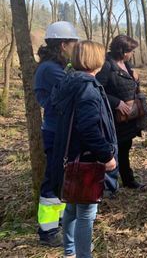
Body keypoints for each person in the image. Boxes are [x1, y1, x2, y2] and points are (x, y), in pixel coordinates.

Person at [50, 40, 117, 258]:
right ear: (95, 59)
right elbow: (89, 129)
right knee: (86, 212)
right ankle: (82, 255)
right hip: (86, 160)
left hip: (70, 157)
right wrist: (107, 156)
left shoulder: (69, 82)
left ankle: (69, 251)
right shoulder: (87, 87)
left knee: (71, 206)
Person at [33, 21, 79, 247]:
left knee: (61, 177)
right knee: (52, 179)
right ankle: (48, 231)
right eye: (73, 44)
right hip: (55, 131)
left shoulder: (59, 66)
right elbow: (76, 89)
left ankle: (59, 221)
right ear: (63, 45)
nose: (75, 49)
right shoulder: (51, 69)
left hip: (62, 130)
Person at [96, 35, 146, 189]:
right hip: (114, 117)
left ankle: (128, 180)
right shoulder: (107, 65)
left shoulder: (127, 64)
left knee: (125, 148)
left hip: (129, 117)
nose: (132, 54)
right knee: (114, 150)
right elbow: (98, 88)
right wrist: (116, 102)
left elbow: (130, 82)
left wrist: (135, 77)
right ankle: (108, 185)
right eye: (131, 50)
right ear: (123, 51)